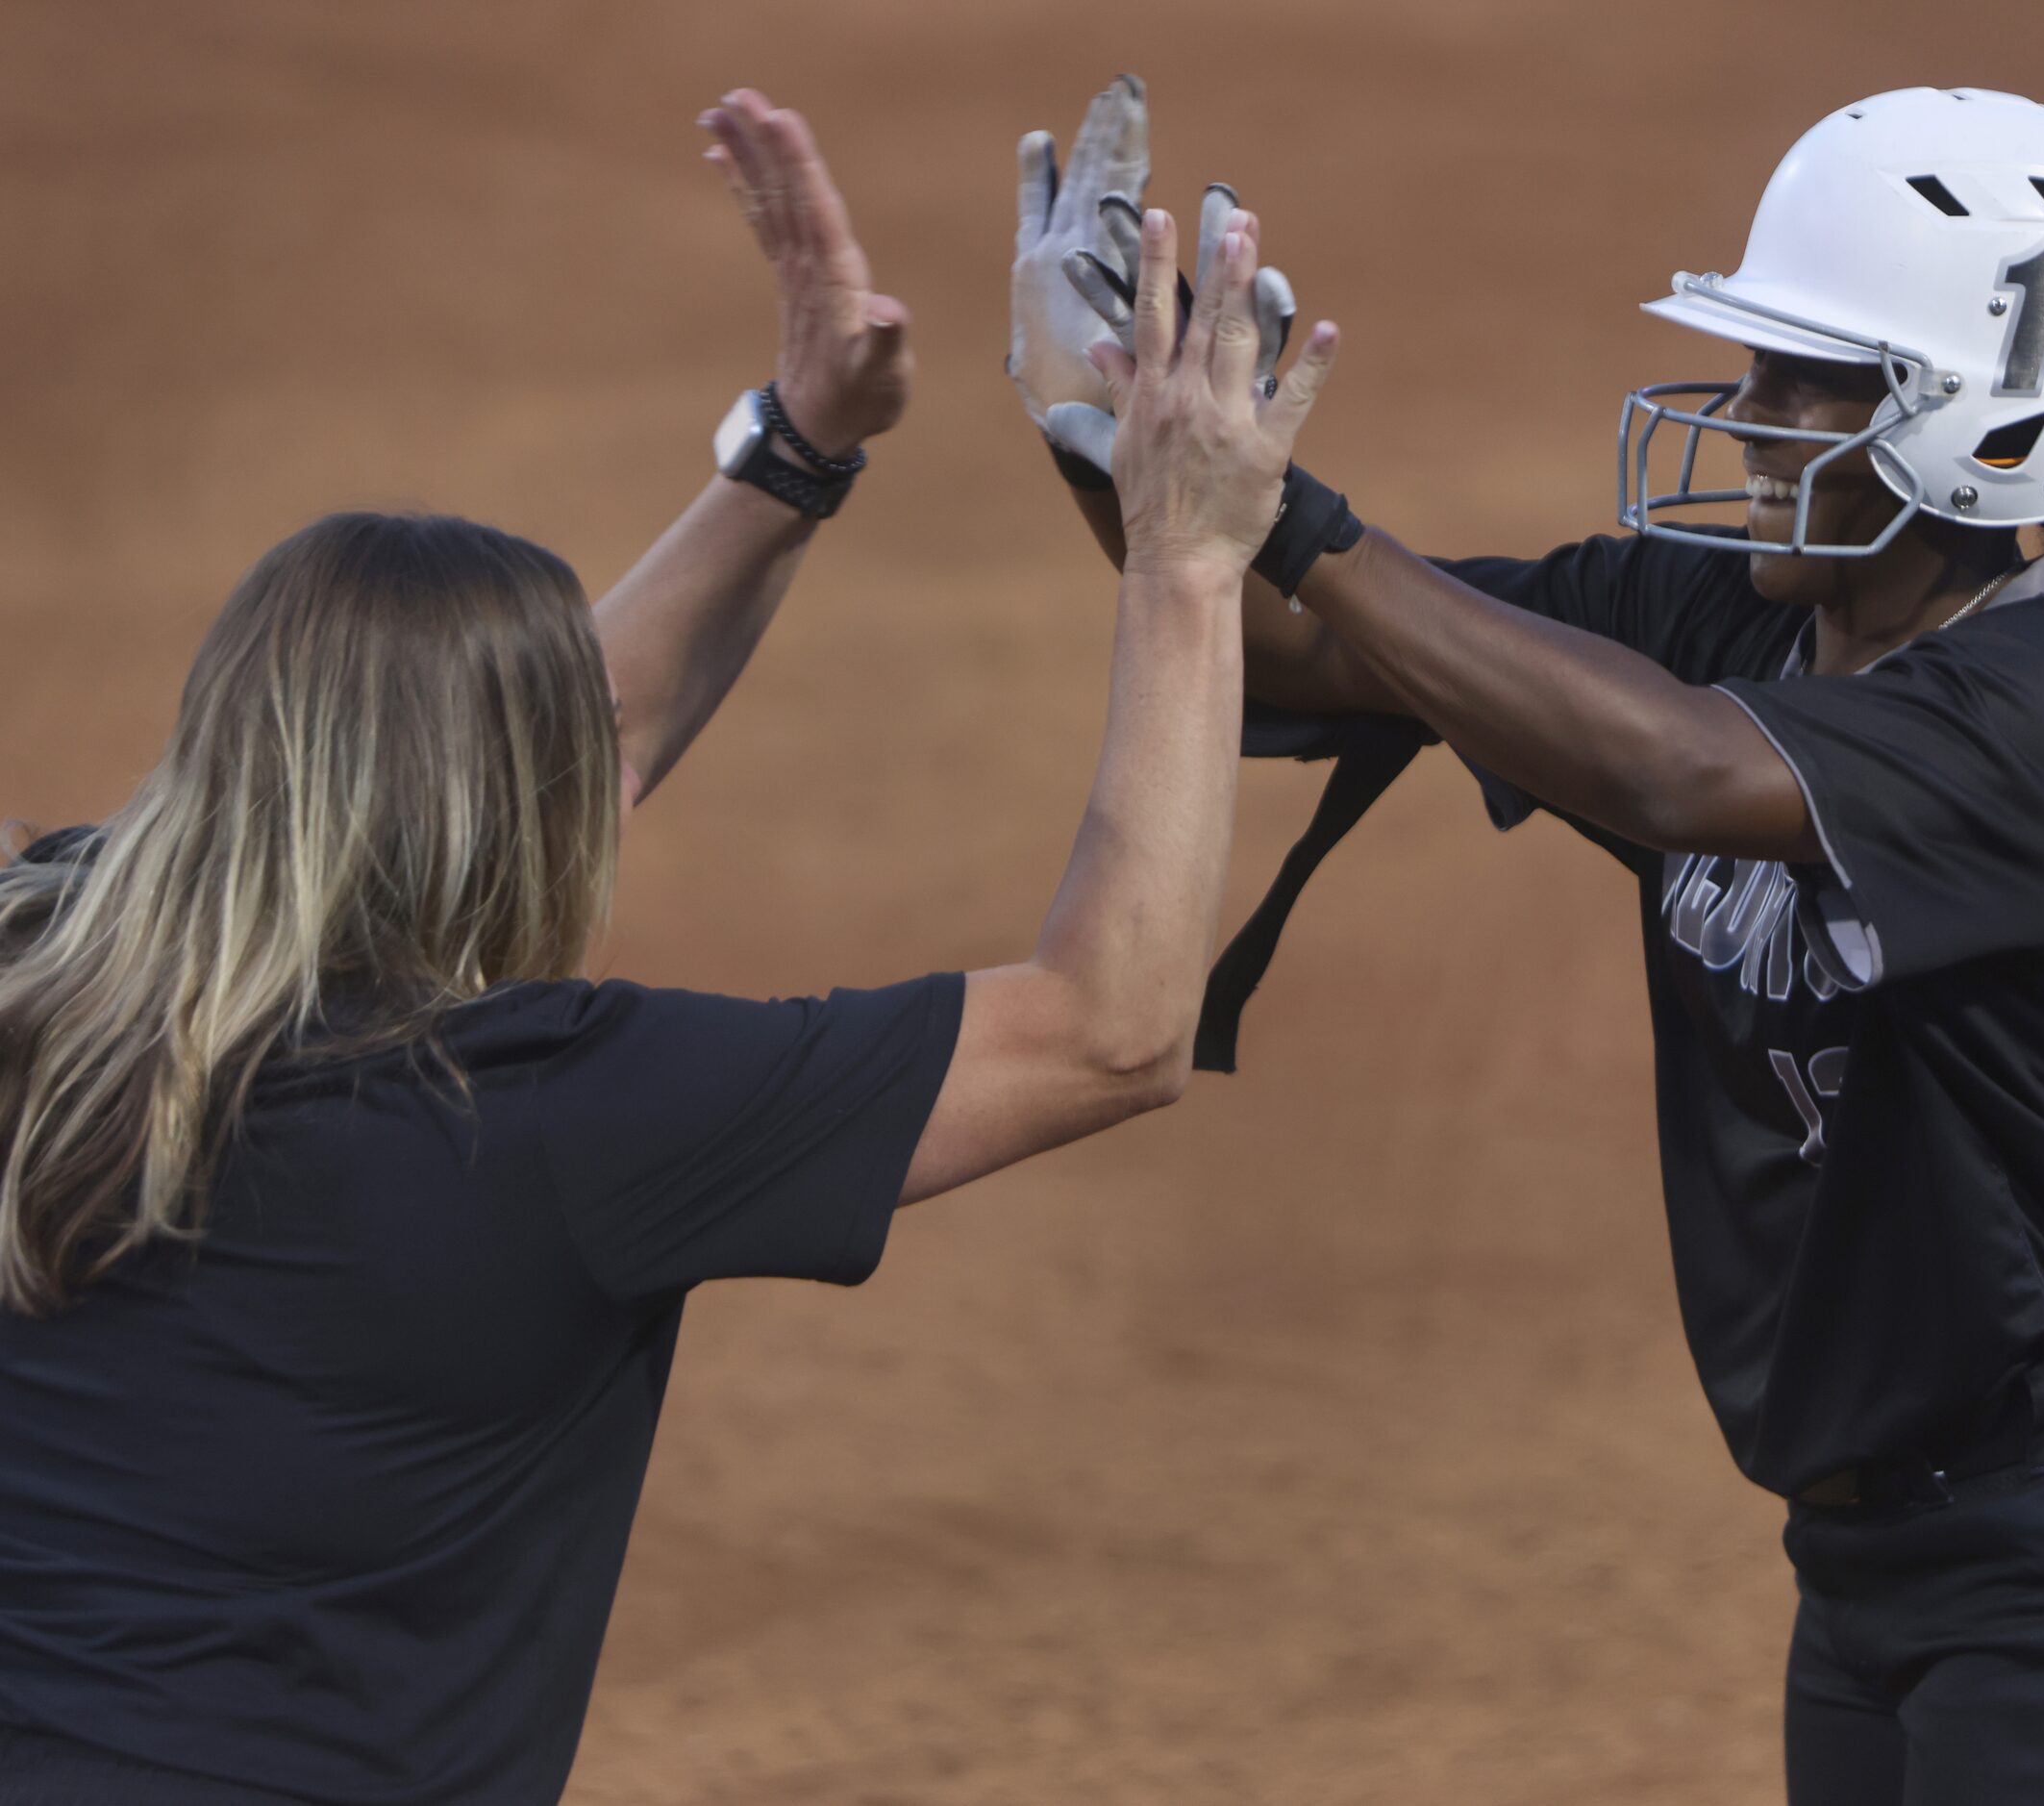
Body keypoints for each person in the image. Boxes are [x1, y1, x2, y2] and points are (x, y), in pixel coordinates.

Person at [1014, 83, 2044, 1803]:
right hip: (1870, 1572)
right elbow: (1299, 656)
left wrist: (1293, 518)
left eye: (1810, 376)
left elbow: (1676, 764)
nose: (1750, 413)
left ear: (1982, 417)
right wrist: (1109, 437)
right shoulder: (1720, 615)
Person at [0, 88, 1335, 1804]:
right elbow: (1110, 1025)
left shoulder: (45, 962)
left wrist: (796, 450)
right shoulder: (551, 1117)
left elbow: (557, 758)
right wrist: (1188, 554)